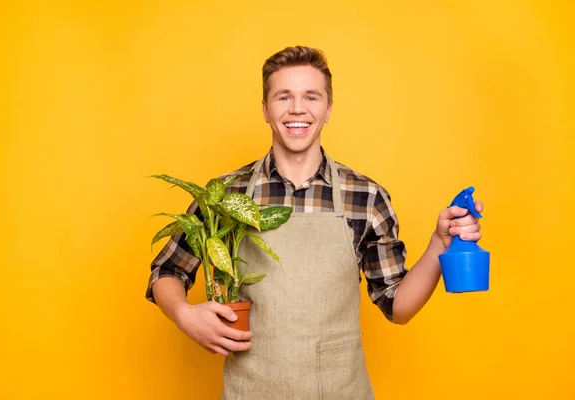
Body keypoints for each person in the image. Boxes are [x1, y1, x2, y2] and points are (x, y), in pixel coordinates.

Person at [146, 46, 484, 399]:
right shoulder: (228, 195)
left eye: (311, 96)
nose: (297, 109)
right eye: (283, 96)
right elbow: (168, 271)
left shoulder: (366, 197)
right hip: (252, 390)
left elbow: (397, 306)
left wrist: (438, 245)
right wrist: (183, 313)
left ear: (328, 109)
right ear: (265, 109)